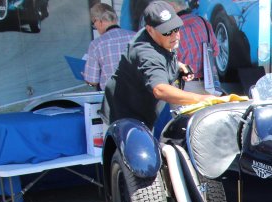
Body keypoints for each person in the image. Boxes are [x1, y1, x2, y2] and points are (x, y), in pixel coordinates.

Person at [102, 1, 217, 129]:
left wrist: (178, 66)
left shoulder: (164, 39)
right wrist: (203, 99)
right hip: (124, 116)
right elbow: (160, 89)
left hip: (145, 109)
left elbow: (164, 57)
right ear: (150, 30)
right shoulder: (146, 53)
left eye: (175, 28)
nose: (175, 35)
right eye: (167, 32)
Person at [168, 0, 219, 96]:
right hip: (210, 85)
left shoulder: (170, 29)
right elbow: (215, 51)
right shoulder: (203, 22)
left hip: (184, 88)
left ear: (172, 6)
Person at [82, 3, 134, 91]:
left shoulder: (96, 44)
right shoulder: (135, 37)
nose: (95, 27)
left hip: (112, 99)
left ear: (99, 21)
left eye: (94, 24)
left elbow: (93, 82)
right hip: (139, 96)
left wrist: (87, 80)